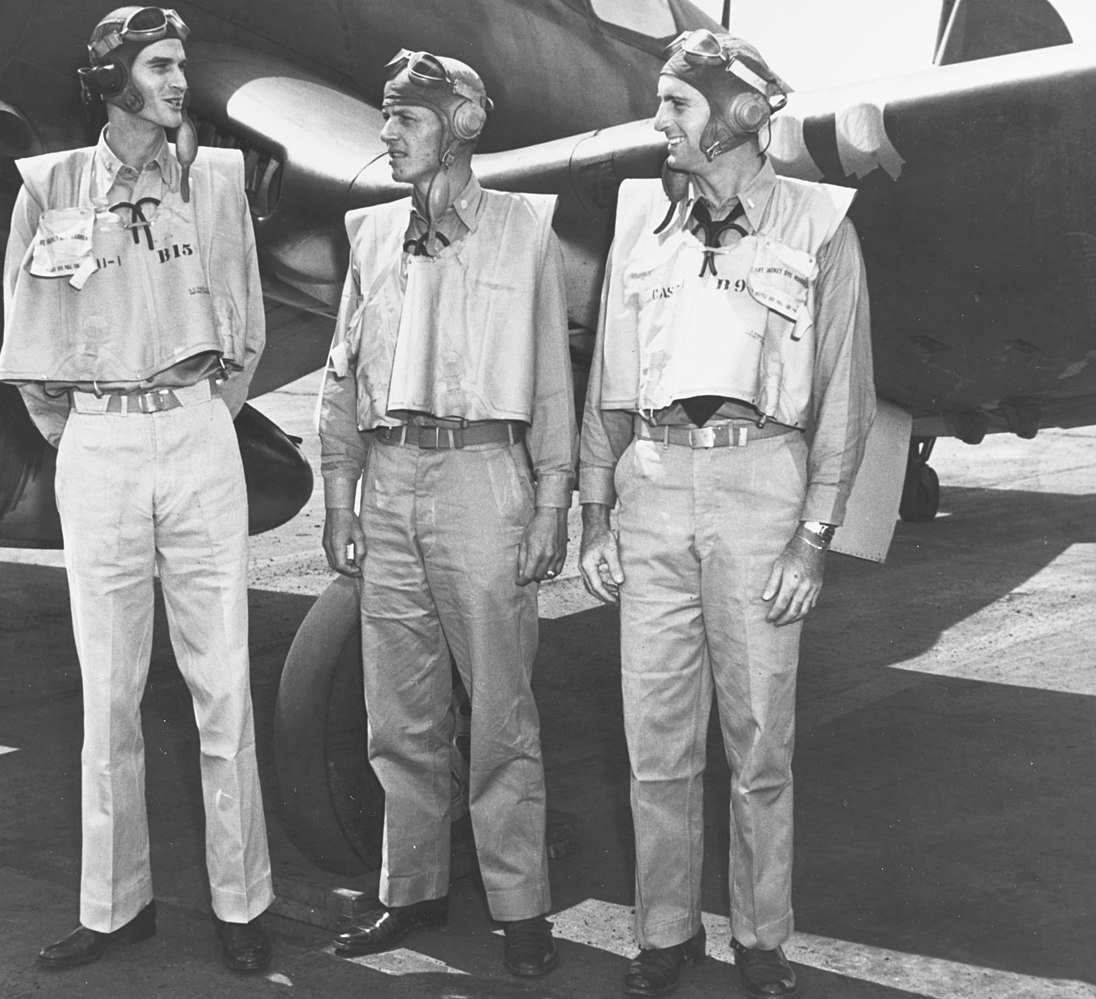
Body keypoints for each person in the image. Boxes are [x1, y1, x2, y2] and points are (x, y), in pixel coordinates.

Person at [578, 28, 875, 999]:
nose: (657, 121)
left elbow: (845, 398)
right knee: (654, 743)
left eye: (677, 104)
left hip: (760, 490)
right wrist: (594, 513)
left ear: (738, 116)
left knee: (759, 746)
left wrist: (813, 538)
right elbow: (606, 384)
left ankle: (760, 938)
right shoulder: (639, 222)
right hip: (654, 485)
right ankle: (663, 934)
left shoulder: (820, 225)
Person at [0, 6, 273, 974]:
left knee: (222, 685)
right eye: (158, 65)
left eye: (179, 63)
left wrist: (195, 417)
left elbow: (247, 326)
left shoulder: (218, 183)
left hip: (197, 433)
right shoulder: (49, 188)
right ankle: (116, 908)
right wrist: (90, 434)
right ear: (113, 80)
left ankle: (242, 903)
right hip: (99, 443)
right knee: (108, 692)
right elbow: (27, 334)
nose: (178, 80)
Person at [317, 48, 577, 979]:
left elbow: (552, 381)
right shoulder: (369, 234)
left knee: (501, 713)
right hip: (389, 479)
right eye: (385, 115)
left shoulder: (524, 230)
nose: (386, 133)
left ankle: (521, 906)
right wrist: (338, 493)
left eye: (407, 118)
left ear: (462, 125)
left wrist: (553, 501)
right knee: (397, 713)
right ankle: (412, 889)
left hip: (483, 478)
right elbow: (342, 372)